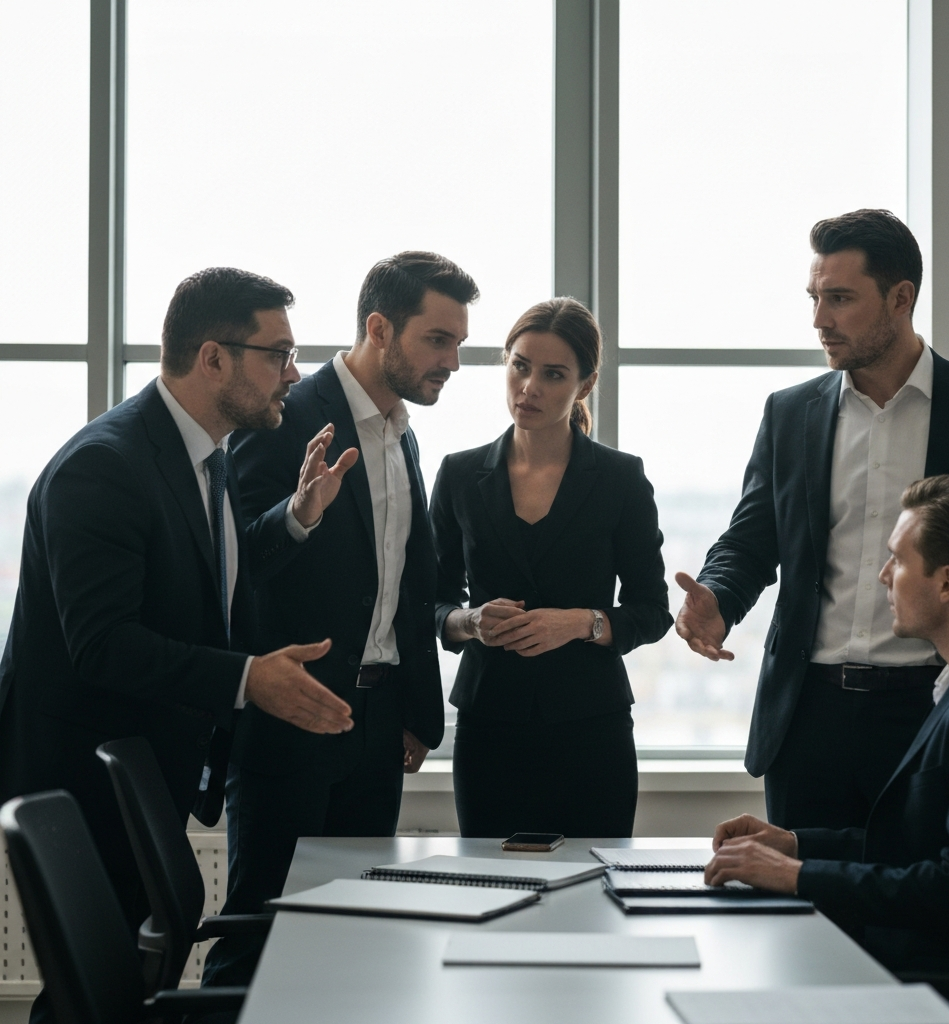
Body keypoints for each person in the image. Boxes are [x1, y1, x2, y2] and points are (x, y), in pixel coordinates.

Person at [0, 267, 357, 1023]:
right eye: (279, 354)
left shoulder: (204, 451)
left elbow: (206, 572)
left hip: (141, 767)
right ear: (213, 358)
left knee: (116, 994)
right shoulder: (104, 466)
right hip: (80, 781)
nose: (295, 375)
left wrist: (294, 516)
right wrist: (247, 678)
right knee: (86, 997)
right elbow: (101, 645)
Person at [674, 209, 949, 830]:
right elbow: (753, 538)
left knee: (924, 904)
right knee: (798, 905)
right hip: (808, 714)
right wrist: (719, 600)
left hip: (937, 704)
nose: (819, 321)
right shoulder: (790, 413)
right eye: (814, 297)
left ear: (901, 298)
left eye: (839, 299)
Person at [201, 251, 478, 989]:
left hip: (378, 721)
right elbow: (241, 565)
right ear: (380, 328)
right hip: (292, 716)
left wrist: (414, 708)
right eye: (438, 340)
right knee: (261, 936)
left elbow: (403, 588)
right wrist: (295, 515)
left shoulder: (401, 430)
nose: (453, 361)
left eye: (458, 343)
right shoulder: (286, 413)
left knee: (353, 933)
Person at [703, 474, 949, 1003]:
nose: (882, 575)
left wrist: (797, 875)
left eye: (898, 560)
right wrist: (795, 844)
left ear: (947, 583)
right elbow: (917, 846)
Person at [430, 297, 673, 839]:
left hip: (593, 727)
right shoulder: (459, 474)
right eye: (519, 365)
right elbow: (430, 601)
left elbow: (652, 612)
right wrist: (470, 622)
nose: (529, 387)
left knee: (593, 900)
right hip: (488, 723)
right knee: (491, 888)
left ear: (583, 385)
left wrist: (581, 622)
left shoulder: (620, 479)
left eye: (553, 374)